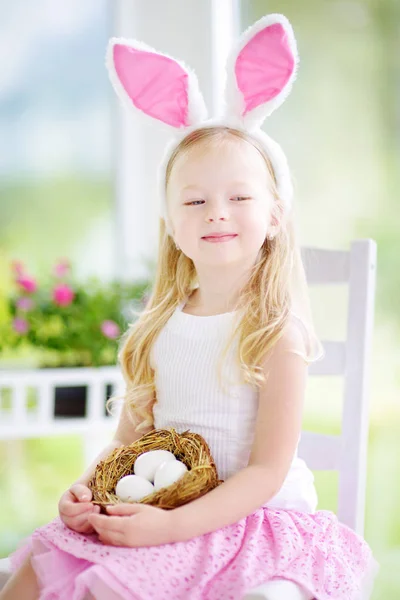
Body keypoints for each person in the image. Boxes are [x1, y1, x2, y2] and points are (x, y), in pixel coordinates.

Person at [1, 14, 379, 600]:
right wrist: (87, 487)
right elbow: (127, 442)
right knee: (28, 578)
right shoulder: (159, 328)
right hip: (159, 507)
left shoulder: (276, 332)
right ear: (172, 225)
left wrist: (172, 525)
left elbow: (265, 473)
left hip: (246, 524)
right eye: (195, 200)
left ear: (274, 215)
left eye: (239, 197)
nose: (216, 212)